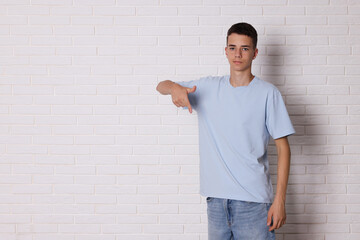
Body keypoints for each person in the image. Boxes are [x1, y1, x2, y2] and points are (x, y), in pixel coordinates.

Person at [156, 22, 295, 240]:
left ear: (255, 53)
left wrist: (280, 201)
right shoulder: (208, 88)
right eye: (232, 47)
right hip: (216, 204)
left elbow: (283, 148)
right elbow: (161, 85)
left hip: (254, 204)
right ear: (225, 51)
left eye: (245, 48)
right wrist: (174, 87)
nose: (237, 54)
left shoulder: (268, 94)